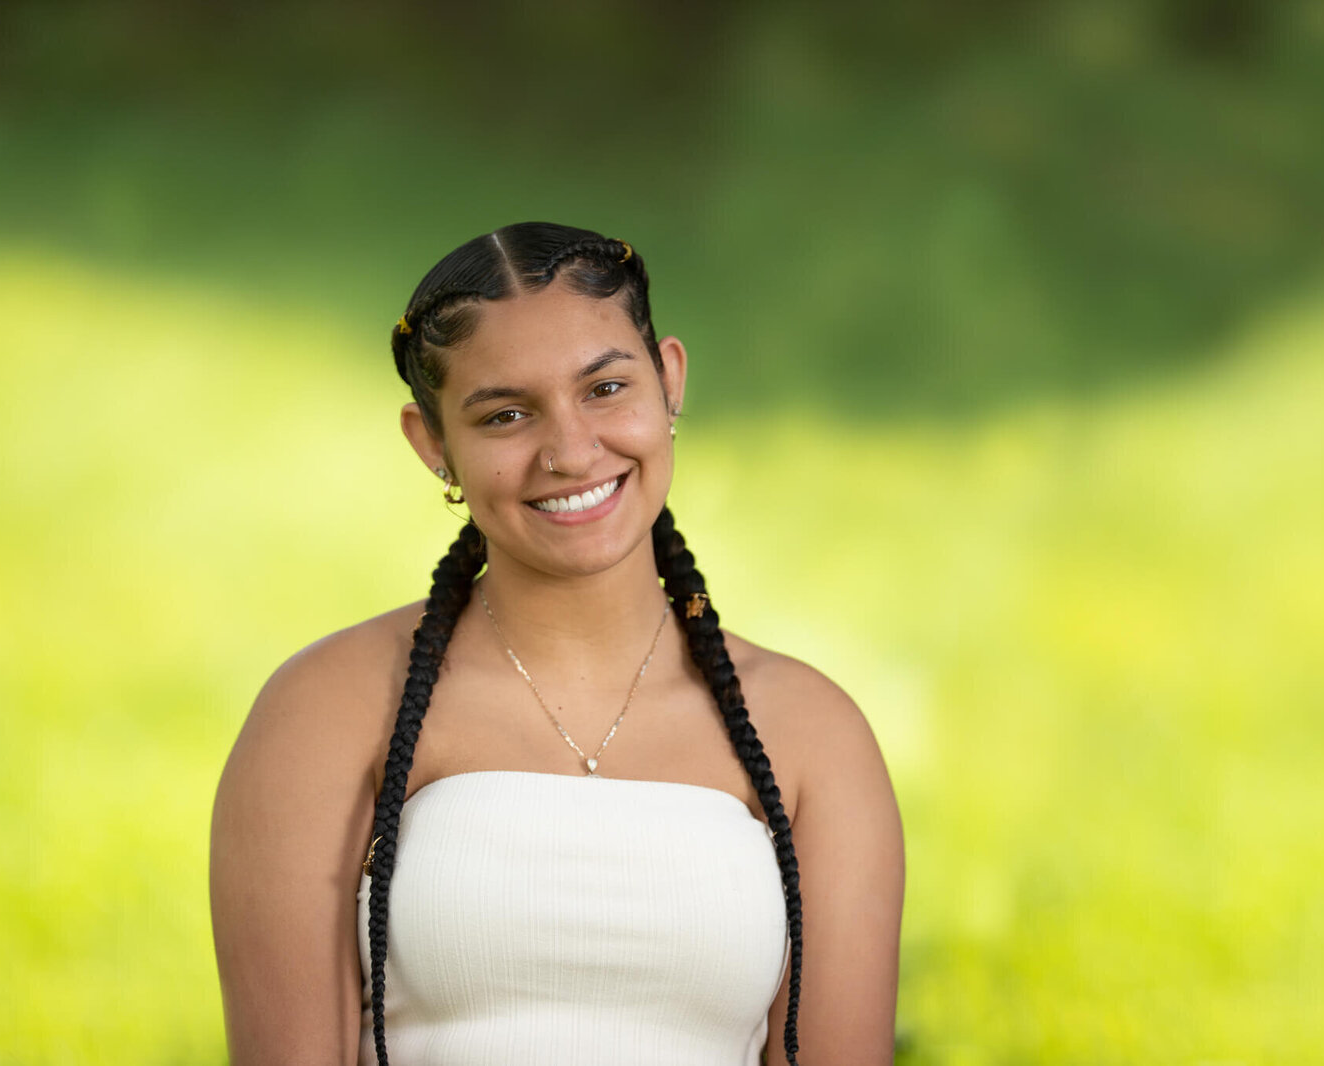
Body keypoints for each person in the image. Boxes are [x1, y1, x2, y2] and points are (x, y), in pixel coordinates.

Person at [209, 222, 905, 1065]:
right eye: (506, 414)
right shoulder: (326, 710)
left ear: (670, 380)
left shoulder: (812, 734)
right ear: (434, 447)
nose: (572, 452)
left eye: (606, 390)